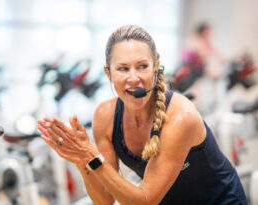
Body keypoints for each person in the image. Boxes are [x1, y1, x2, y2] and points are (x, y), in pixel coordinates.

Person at [38, 25, 246, 204]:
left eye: (142, 66)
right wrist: (82, 160)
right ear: (108, 73)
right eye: (122, 69)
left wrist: (92, 155)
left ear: (156, 67)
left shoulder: (181, 116)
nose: (133, 77)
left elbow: (145, 201)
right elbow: (105, 200)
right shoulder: (106, 116)